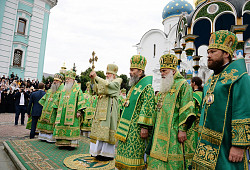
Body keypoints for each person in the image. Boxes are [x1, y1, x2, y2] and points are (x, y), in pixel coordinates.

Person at [192, 30, 250, 169]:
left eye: (213, 52)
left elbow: (243, 111)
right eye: (208, 52)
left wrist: (239, 145)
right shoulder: (212, 78)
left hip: (227, 145)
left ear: (226, 54)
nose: (209, 55)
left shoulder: (240, 77)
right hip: (206, 144)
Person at [147, 54, 196, 169]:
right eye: (161, 71)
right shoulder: (165, 85)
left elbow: (187, 108)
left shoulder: (183, 85)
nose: (162, 74)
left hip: (174, 131)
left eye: (164, 71)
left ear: (173, 71)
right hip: (160, 129)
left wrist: (182, 129)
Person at [115, 55, 155, 169]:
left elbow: (147, 107)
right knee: (124, 152)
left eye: (132, 70)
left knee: (134, 155)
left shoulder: (147, 87)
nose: (130, 72)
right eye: (130, 69)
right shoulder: (134, 86)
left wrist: (145, 127)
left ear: (140, 71)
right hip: (127, 127)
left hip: (137, 129)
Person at [89, 64, 122, 161]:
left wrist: (96, 77)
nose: (107, 75)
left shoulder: (117, 82)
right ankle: (96, 152)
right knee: (99, 131)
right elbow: (95, 90)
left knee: (106, 131)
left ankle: (106, 154)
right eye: (106, 73)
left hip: (109, 111)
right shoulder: (104, 82)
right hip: (100, 111)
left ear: (114, 75)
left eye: (109, 74)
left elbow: (108, 86)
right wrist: (92, 80)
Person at [52, 70, 85, 147]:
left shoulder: (77, 90)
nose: (66, 81)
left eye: (68, 79)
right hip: (62, 114)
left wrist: (79, 111)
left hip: (73, 115)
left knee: (71, 127)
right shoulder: (63, 89)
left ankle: (71, 144)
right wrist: (56, 107)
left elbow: (81, 101)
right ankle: (61, 143)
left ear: (73, 80)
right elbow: (57, 99)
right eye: (66, 79)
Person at [37, 73, 64, 142]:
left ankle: (51, 138)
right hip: (45, 111)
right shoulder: (49, 91)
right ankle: (43, 136)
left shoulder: (62, 92)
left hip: (54, 112)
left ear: (61, 82)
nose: (54, 82)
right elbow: (42, 100)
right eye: (54, 80)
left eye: (57, 81)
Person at [191, 77, 203, 142]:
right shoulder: (203, 93)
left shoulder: (194, 95)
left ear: (194, 83)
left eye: (191, 83)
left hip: (195, 121)